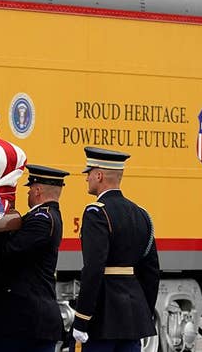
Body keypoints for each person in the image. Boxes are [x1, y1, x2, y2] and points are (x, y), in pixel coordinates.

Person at [71, 147, 160, 352]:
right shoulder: (141, 214)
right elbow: (152, 271)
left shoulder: (96, 213)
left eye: (89, 173)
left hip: (104, 316)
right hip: (132, 318)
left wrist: (82, 318)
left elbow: (93, 269)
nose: (87, 179)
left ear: (99, 175)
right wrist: (142, 312)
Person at [0, 164, 66, 352]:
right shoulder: (47, 216)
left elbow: (10, 252)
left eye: (29, 190)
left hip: (26, 319)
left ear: (37, 190)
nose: (28, 195)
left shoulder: (42, 219)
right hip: (30, 319)